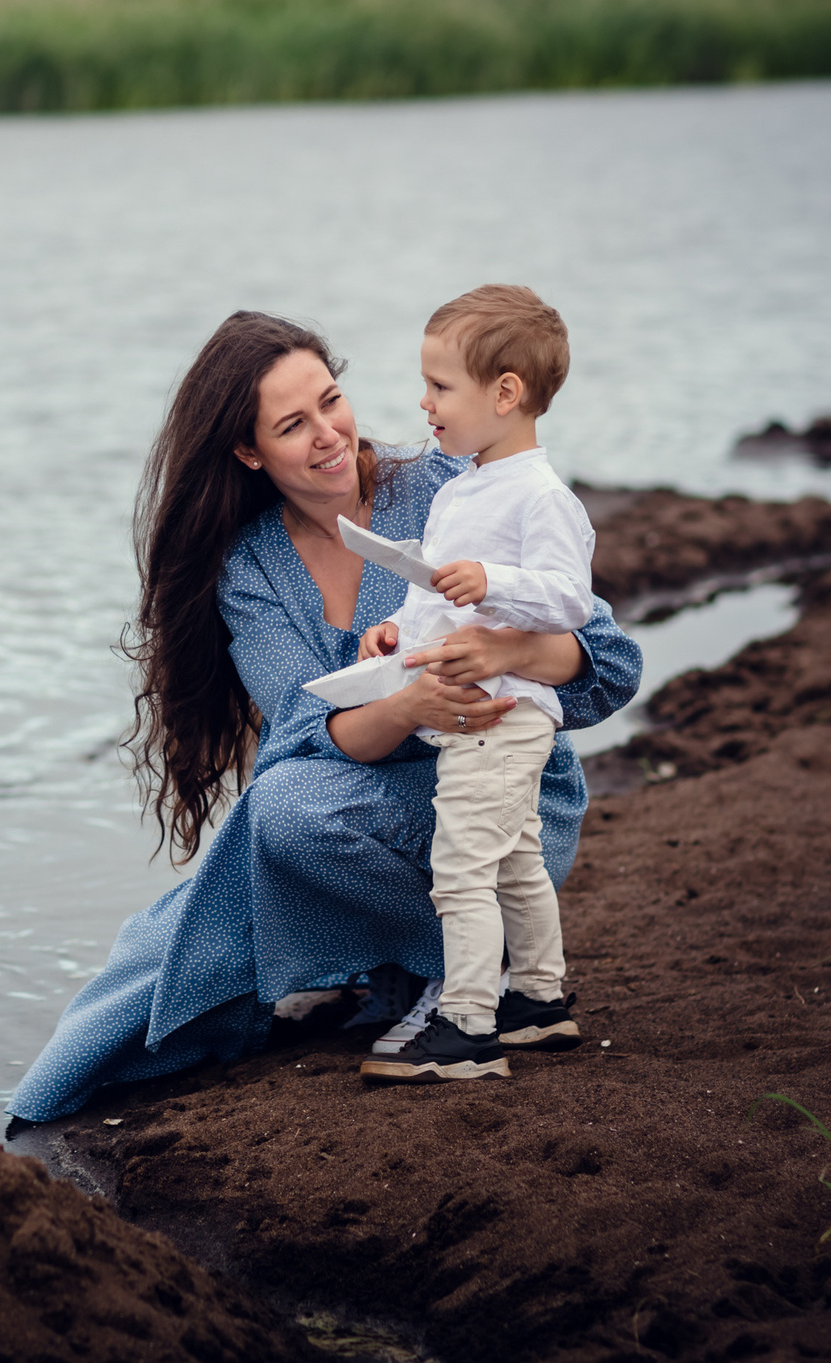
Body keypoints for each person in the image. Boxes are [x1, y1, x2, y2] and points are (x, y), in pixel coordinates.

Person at [6, 311, 640, 1127]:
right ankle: (405, 967)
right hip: (364, 808)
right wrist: (409, 703)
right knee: (192, 920)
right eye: (292, 425)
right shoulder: (253, 569)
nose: (328, 435)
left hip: (505, 796)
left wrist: (499, 653)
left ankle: (461, 979)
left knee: (282, 827)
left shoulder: (451, 483)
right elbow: (308, 736)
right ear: (248, 451)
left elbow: (606, 660)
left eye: (331, 402)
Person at [347, 285, 595, 1083]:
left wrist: (490, 578)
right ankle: (541, 1000)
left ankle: (467, 1024)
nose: (423, 403)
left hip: (506, 714)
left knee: (461, 870)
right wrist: (399, 632)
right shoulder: (462, 488)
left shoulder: (542, 496)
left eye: (440, 387)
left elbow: (569, 600)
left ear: (506, 393)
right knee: (516, 859)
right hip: (479, 717)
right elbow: (439, 599)